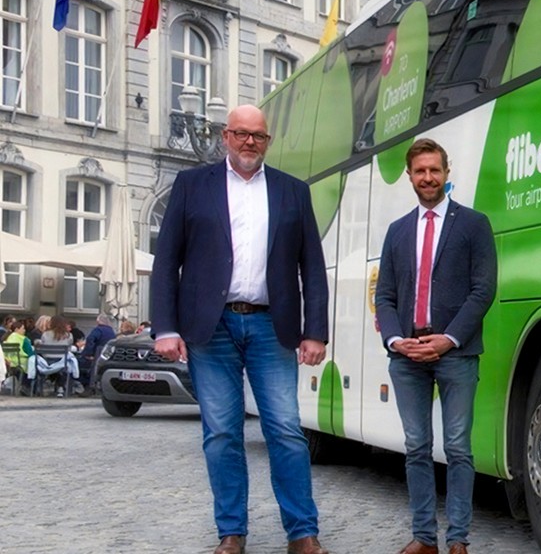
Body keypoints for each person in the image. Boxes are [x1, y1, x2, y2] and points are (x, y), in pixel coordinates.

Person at [151, 104, 333, 554]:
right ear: (225, 136)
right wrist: (165, 327)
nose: (250, 142)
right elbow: (167, 261)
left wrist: (316, 331)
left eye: (258, 135)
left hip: (273, 325)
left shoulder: (293, 191)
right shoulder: (192, 185)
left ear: (268, 141)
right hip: (210, 327)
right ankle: (231, 533)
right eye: (241, 133)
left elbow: (312, 266)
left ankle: (302, 533)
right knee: (221, 433)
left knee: (286, 430)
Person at [375, 138, 497, 554]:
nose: (428, 177)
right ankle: (424, 538)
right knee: (416, 447)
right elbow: (385, 295)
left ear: (447, 173)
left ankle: (458, 539)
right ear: (409, 176)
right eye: (420, 171)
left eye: (434, 170)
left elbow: (483, 290)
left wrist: (447, 339)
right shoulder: (397, 231)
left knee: (458, 447)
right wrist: (397, 340)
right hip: (407, 355)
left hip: (457, 354)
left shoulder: (474, 224)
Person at [80, 313, 117, 393]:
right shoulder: (111, 331)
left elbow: (90, 339)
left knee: (80, 365)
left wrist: (88, 353)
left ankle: (89, 387)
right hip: (108, 355)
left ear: (98, 321)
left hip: (98, 354)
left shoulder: (98, 329)